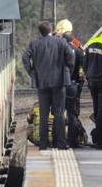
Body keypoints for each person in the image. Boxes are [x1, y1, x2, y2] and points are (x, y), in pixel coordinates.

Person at [23, 21, 75, 150]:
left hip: (42, 82)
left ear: (40, 31)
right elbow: (71, 56)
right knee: (59, 113)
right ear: (51, 30)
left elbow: (25, 57)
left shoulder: (34, 44)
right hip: (59, 82)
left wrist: (32, 72)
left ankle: (43, 144)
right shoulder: (61, 42)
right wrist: (67, 69)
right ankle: (61, 143)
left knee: (43, 114)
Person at [55, 19, 85, 148]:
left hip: (59, 85)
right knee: (72, 113)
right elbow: (82, 71)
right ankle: (72, 141)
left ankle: (58, 140)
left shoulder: (55, 49)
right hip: (73, 85)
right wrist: (79, 85)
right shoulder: (78, 50)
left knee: (58, 112)